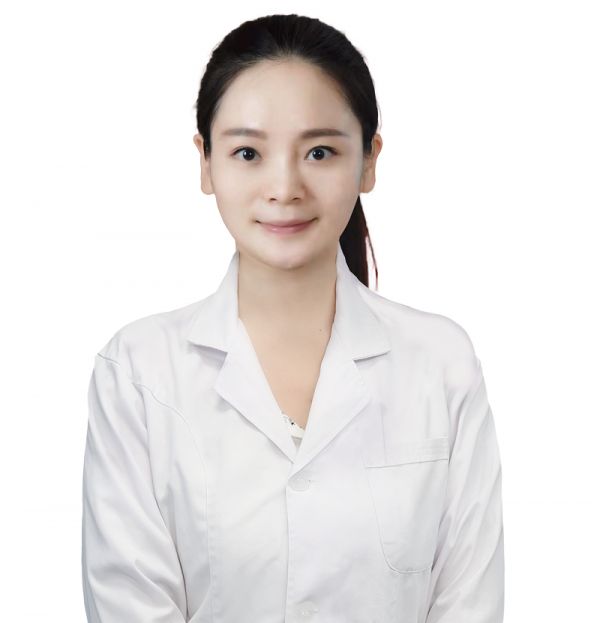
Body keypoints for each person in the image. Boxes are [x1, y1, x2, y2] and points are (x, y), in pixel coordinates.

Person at [81, 13, 504, 623]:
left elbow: (469, 602)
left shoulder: (440, 363)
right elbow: (131, 605)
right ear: (206, 162)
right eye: (248, 152)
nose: (284, 187)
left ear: (368, 161)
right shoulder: (139, 372)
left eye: (320, 152)